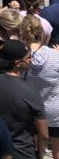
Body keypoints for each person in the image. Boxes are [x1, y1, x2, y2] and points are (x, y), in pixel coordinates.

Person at [0, 40, 48, 159]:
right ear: (17, 63)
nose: (31, 61)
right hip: (21, 153)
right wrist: (41, 154)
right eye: (28, 58)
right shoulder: (31, 92)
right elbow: (43, 134)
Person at [22, 16, 59, 157]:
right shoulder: (55, 56)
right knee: (57, 152)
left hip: (31, 110)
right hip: (55, 112)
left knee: (35, 150)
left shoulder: (21, 57)